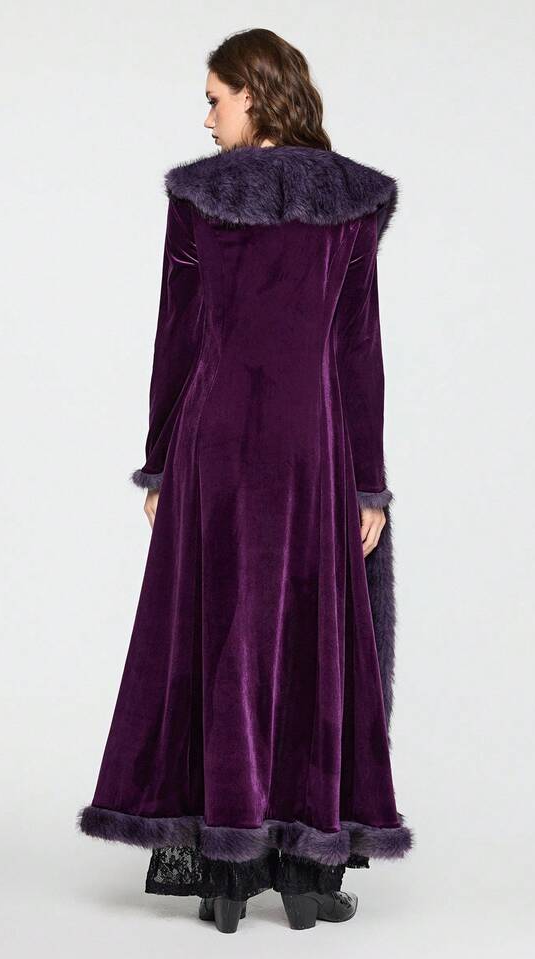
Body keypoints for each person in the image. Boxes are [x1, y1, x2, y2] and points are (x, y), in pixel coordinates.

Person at [77, 27, 414, 933]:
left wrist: (160, 459)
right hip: (312, 450)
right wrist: (368, 484)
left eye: (215, 98)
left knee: (222, 634)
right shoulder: (350, 201)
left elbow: (178, 338)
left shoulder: (201, 198)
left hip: (216, 446)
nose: (207, 117)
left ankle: (225, 879)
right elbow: (358, 354)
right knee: (310, 642)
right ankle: (305, 874)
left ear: (255, 96)